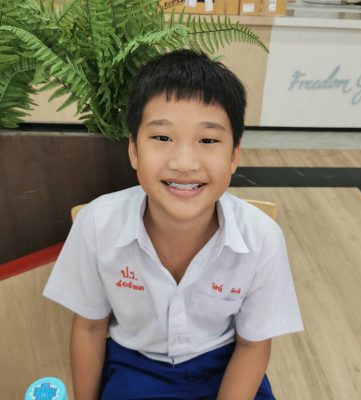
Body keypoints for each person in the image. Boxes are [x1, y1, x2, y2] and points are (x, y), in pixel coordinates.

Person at [43, 49, 304, 400]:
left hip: (225, 364)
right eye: (162, 138)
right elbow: (89, 327)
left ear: (233, 156)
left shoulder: (262, 238)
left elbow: (252, 346)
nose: (184, 162)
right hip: (134, 365)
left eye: (208, 140)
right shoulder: (97, 223)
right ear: (134, 150)